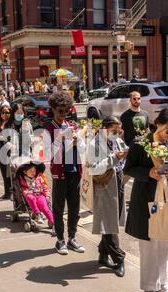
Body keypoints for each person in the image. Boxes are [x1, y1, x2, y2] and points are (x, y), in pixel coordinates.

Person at [124, 108, 168, 292]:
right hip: (145, 200)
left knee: (165, 244)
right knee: (149, 246)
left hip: (167, 199)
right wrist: (147, 173)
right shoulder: (140, 143)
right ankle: (149, 288)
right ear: (158, 123)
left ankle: (163, 284)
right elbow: (129, 168)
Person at [44, 91, 85, 255]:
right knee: (59, 208)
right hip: (60, 173)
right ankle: (60, 240)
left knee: (75, 208)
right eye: (60, 111)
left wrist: (78, 141)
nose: (63, 114)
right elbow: (47, 154)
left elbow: (83, 150)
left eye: (66, 111)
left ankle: (72, 238)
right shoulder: (48, 130)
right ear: (53, 109)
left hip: (75, 171)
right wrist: (59, 139)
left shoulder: (73, 127)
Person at [87, 116, 128, 277]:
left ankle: (103, 255)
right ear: (104, 129)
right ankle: (119, 258)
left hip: (117, 182)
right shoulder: (94, 144)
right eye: (114, 131)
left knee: (113, 220)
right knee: (110, 225)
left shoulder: (117, 141)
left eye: (119, 131)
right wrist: (114, 158)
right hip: (104, 186)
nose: (117, 134)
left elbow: (125, 152)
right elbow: (94, 169)